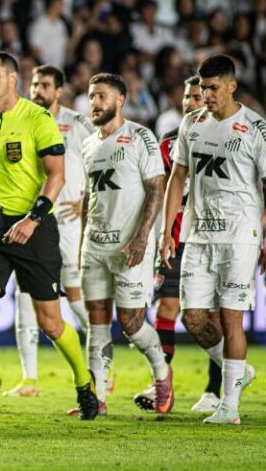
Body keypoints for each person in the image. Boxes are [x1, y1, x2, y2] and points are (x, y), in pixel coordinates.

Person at [0, 50, 99, 422]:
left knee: (51, 323)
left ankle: (83, 381)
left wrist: (33, 219)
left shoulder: (38, 119)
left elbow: (56, 176)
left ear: (13, 78)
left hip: (35, 229)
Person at [161, 55, 261, 425]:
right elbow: (178, 177)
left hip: (239, 236)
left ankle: (229, 407)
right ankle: (239, 372)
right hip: (199, 233)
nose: (206, 94)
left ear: (232, 86)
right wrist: (166, 230)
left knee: (232, 320)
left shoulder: (255, 128)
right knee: (194, 317)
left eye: (213, 87)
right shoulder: (192, 123)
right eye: (202, 87)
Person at [79, 73, 170, 415]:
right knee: (97, 321)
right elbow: (90, 198)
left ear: (120, 100)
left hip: (129, 246)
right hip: (95, 247)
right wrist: (82, 245)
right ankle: (97, 398)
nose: (94, 103)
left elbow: (156, 188)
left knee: (131, 323)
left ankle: (162, 373)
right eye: (91, 97)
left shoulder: (140, 137)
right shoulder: (88, 144)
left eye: (101, 96)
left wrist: (143, 237)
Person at [133, 75, 223, 413]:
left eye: (196, 97)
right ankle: (162, 381)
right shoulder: (168, 143)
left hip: (211, 237)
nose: (189, 103)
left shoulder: (223, 139)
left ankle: (216, 389)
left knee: (210, 316)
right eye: (186, 97)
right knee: (166, 309)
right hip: (174, 239)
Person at [5, 65, 95, 398]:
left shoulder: (78, 123)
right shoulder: (22, 118)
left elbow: (101, 159)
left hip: (69, 223)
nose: (37, 90)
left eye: (45, 85)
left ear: (59, 91)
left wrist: (86, 200)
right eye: (34, 84)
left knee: (74, 297)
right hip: (30, 222)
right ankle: (29, 378)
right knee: (24, 298)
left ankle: (103, 363)